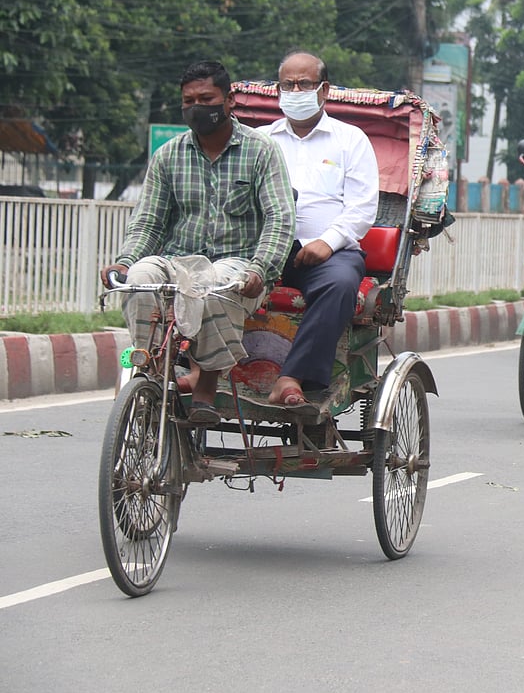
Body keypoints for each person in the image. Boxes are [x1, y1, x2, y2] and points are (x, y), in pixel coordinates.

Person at [102, 60, 295, 424]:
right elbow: (148, 222)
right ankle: (152, 372)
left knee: (209, 282)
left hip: (237, 267)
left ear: (229, 101)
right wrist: (125, 262)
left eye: (206, 98)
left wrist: (261, 268)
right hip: (178, 261)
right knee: (142, 276)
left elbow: (279, 219)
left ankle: (206, 383)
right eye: (188, 100)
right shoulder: (168, 156)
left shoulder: (262, 151)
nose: (197, 106)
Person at [258, 50, 380, 406]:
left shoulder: (350, 139)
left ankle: (291, 377)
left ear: (323, 90)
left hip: (329, 253)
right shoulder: (261, 141)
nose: (295, 91)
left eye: (304, 84)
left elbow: (362, 206)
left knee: (341, 284)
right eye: (287, 85)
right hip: (268, 248)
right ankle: (203, 372)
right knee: (217, 275)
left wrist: (328, 242)